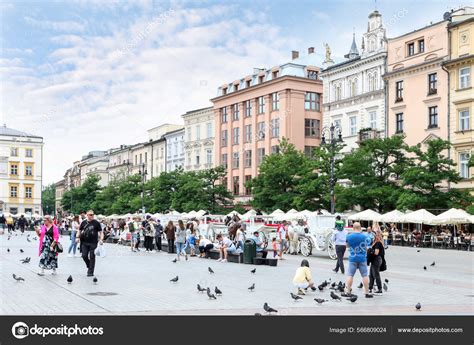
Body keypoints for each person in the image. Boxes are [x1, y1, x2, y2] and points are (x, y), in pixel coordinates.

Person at [345, 222, 373, 298]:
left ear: (353, 228)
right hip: (362, 258)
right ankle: (367, 293)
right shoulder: (365, 236)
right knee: (364, 275)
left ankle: (348, 291)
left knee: (350, 275)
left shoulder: (349, 236)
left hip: (352, 258)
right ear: (360, 228)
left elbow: (347, 245)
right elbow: (367, 246)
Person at [77, 210, 103, 277]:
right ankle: (89, 265)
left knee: (92, 256)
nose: (92, 216)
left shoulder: (96, 223)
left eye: (92, 215)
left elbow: (101, 232)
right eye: (90, 215)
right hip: (84, 242)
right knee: (84, 255)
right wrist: (77, 237)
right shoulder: (83, 222)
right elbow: (79, 231)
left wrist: (101, 239)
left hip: (93, 242)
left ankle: (90, 272)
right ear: (87, 215)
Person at [368, 230, 385, 294]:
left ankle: (380, 288)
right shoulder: (377, 242)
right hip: (375, 260)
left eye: (375, 235)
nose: (374, 236)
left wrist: (370, 251)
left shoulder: (378, 243)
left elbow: (376, 252)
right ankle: (370, 288)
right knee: (371, 275)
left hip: (376, 259)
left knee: (376, 274)